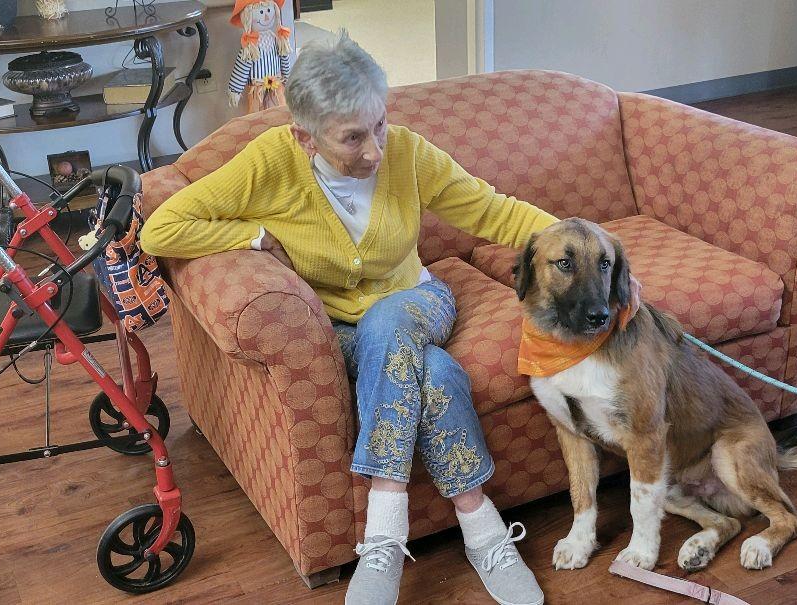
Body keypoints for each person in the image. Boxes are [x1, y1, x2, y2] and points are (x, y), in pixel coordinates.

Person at [141, 33, 559, 605]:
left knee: (390, 321)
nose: (376, 150)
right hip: (337, 327)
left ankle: (383, 534)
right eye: (353, 138)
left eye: (380, 125)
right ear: (303, 136)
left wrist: (582, 243)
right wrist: (255, 235)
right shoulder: (270, 162)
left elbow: (493, 210)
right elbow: (162, 228)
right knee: (433, 378)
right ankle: (484, 531)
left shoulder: (408, 153)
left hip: (418, 301)